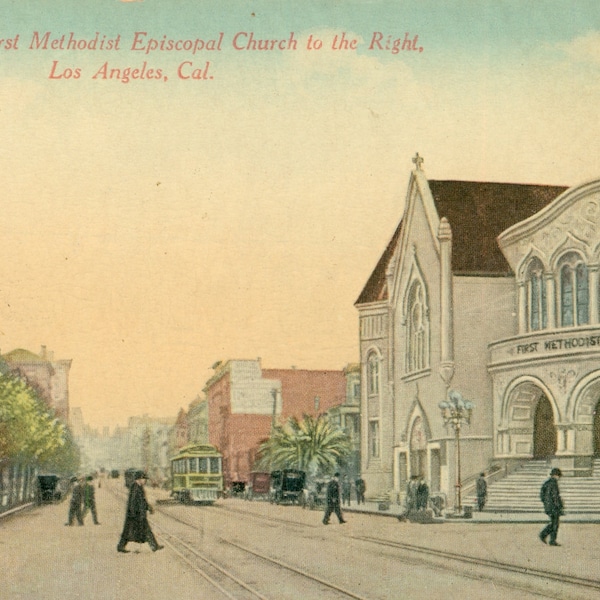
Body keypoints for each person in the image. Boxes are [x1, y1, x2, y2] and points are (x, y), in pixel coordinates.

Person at [117, 471, 163, 553]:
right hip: (135, 515)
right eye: (144, 479)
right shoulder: (135, 488)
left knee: (143, 530)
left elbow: (143, 501)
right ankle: (120, 546)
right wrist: (135, 514)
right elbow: (132, 502)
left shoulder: (139, 487)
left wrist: (148, 508)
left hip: (138, 514)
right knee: (128, 531)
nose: (145, 481)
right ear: (139, 479)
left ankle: (154, 546)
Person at [539, 468, 564, 546]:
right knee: (555, 524)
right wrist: (560, 506)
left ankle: (545, 536)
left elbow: (541, 495)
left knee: (553, 523)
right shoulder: (554, 483)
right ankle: (548, 538)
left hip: (548, 507)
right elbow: (555, 496)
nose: (559, 478)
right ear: (556, 475)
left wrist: (546, 503)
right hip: (554, 507)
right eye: (558, 476)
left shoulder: (546, 483)